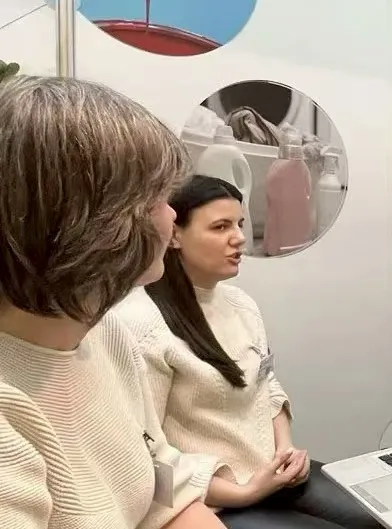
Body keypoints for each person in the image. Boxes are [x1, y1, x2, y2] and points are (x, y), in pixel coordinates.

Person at [0, 76, 229, 528]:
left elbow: (165, 495)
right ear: (93, 222)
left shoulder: (104, 334)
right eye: (160, 199)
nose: (172, 216)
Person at [113, 175, 380, 529]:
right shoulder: (139, 323)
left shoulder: (242, 305)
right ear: (174, 234)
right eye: (220, 226)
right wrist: (244, 492)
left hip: (271, 474)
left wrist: (285, 449)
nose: (239, 237)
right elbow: (148, 457)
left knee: (384, 517)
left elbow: (267, 385)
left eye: (239, 224)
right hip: (213, 499)